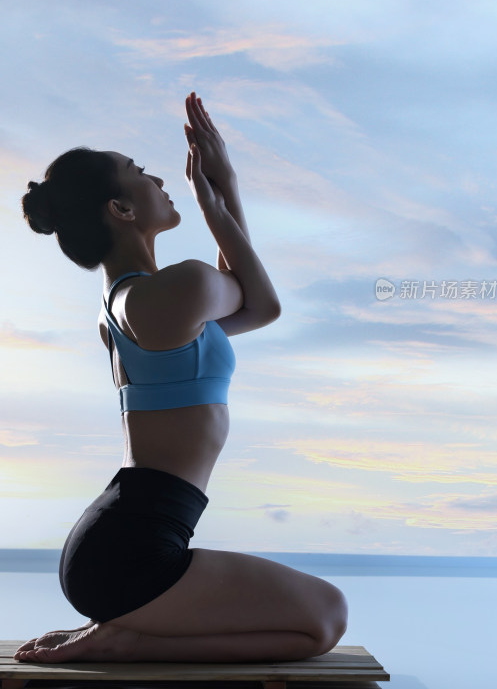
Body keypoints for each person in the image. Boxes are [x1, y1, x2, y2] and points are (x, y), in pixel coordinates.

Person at [15, 93, 348, 665]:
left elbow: (251, 308)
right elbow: (263, 301)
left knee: (321, 623)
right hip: (130, 548)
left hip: (132, 536)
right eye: (138, 171)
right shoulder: (168, 292)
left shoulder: (138, 301)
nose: (160, 177)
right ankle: (124, 638)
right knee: (325, 618)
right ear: (120, 208)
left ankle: (125, 635)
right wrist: (215, 199)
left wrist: (226, 192)